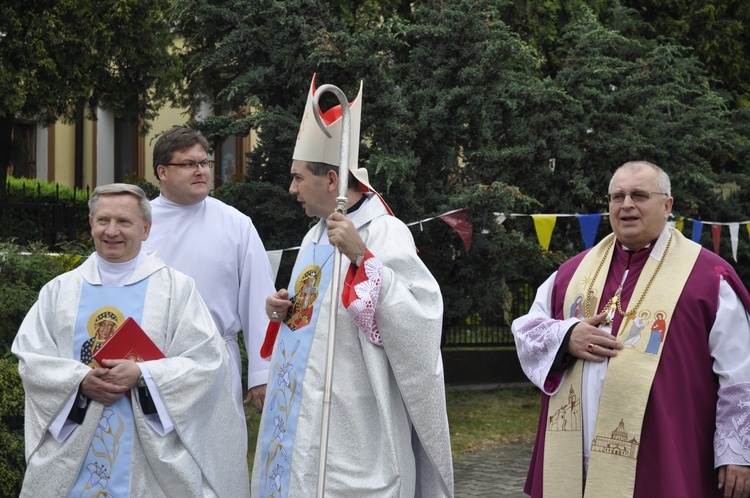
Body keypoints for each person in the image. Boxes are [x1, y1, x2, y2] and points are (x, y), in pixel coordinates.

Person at [251, 75, 454, 497]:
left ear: (330, 181)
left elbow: (422, 316)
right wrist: (284, 310)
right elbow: (317, 314)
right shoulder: (313, 236)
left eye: (297, 177)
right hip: (300, 413)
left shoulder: (384, 233)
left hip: (354, 416)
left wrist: (364, 258)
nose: (290, 188)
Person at [512, 161, 750, 498]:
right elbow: (527, 330)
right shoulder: (571, 273)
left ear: (667, 205)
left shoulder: (708, 278)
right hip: (577, 450)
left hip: (665, 449)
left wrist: (738, 453)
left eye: (639, 195)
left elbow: (740, 373)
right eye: (617, 196)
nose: (626, 205)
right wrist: (566, 337)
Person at [12, 183, 249, 497]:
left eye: (124, 222)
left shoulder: (176, 290)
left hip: (149, 452)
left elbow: (208, 363)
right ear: (91, 225)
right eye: (103, 221)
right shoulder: (60, 291)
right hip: (76, 448)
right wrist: (79, 381)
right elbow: (33, 360)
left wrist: (143, 374)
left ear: (146, 228)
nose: (112, 231)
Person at [142, 126, 276, 413]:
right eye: (189, 164)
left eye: (204, 163)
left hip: (217, 360)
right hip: (154, 363)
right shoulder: (140, 224)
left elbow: (259, 298)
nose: (201, 170)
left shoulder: (236, 224)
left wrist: (261, 373)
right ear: (162, 171)